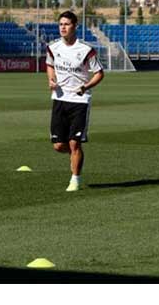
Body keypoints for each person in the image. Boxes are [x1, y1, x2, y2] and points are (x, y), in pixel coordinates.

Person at [45, 11, 104, 192]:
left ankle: (75, 179)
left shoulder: (86, 50)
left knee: (74, 143)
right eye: (60, 24)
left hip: (80, 101)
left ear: (75, 26)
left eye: (67, 24)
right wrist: (51, 79)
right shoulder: (53, 47)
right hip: (59, 99)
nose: (63, 27)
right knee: (58, 145)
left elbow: (99, 73)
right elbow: (49, 64)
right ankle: (76, 155)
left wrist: (85, 87)